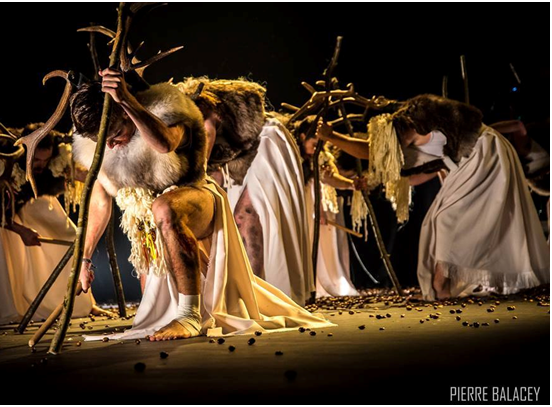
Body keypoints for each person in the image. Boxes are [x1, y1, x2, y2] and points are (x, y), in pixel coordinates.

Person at [72, 69, 333, 342]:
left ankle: (189, 316)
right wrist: (85, 259)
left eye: (116, 133)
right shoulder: (105, 148)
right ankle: (182, 306)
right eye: (103, 140)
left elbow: (166, 144)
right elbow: (99, 201)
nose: (111, 145)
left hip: (196, 198)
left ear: (127, 114)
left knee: (164, 208)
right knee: (153, 304)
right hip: (151, 225)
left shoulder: (167, 111)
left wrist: (126, 100)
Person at [318, 94, 550, 300]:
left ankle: (442, 286)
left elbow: (371, 151)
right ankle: (441, 285)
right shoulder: (412, 149)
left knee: (447, 219)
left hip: (484, 154)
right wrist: (368, 183)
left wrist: (332, 137)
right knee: (435, 222)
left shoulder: (417, 121)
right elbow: (410, 176)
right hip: (469, 162)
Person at [177, 78, 314, 305]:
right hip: (239, 159)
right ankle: (253, 290)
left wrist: (195, 178)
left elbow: (208, 134)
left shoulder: (199, 107)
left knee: (246, 215)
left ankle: (257, 294)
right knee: (234, 219)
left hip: (264, 144)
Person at [0, 124, 96, 329]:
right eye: (36, 160)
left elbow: (79, 174)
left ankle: (83, 303)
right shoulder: (0, 162)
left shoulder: (56, 156)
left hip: (21, 193)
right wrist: (20, 230)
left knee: (65, 230)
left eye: (45, 160)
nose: (41, 165)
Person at [292, 116, 361, 297]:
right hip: (301, 202)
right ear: (302, 137)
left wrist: (350, 184)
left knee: (324, 243)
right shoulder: (292, 155)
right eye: (314, 143)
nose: (316, 148)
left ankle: (325, 280)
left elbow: (330, 178)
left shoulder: (321, 157)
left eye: (319, 144)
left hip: (318, 202)